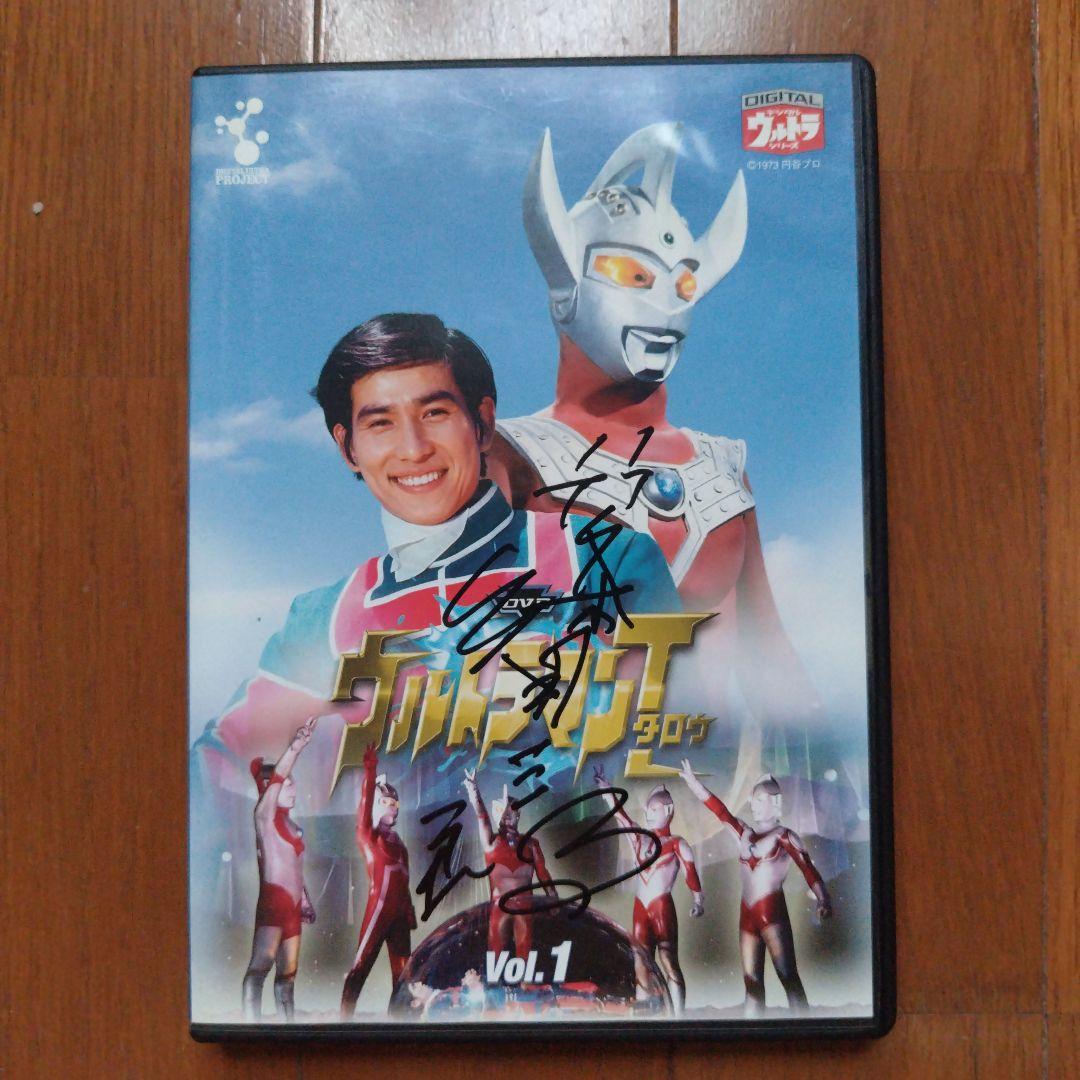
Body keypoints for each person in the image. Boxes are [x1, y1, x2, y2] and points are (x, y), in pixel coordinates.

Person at [198, 313, 683, 801]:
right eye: (381, 422)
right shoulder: (324, 617)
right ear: (348, 448)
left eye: (434, 413)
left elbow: (687, 738)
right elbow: (217, 766)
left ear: (483, 423)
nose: (413, 449)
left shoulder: (602, 560)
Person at [489, 123, 826, 810]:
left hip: (720, 794)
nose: (665, 299)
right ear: (567, 278)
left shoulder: (723, 466)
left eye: (683, 279)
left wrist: (831, 775)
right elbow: (472, 648)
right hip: (572, 800)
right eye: (632, 275)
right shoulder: (511, 452)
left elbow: (769, 647)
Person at [678, 758, 831, 1014]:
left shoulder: (784, 836)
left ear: (776, 803)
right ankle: (751, 1031)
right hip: (747, 914)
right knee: (751, 984)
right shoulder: (743, 833)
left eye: (760, 800)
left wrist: (823, 898)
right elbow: (720, 811)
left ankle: (804, 1029)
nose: (754, 804)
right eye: (753, 799)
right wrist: (694, 784)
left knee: (788, 977)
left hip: (772, 912)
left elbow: (807, 868)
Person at [592, 764, 703, 1014]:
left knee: (668, 960)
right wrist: (606, 789)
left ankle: (678, 1017)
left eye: (654, 809)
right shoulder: (639, 838)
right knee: (640, 961)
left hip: (661, 906)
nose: (649, 813)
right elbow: (621, 816)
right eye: (648, 809)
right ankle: (645, 1013)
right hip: (640, 908)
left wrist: (698, 899)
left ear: (668, 811)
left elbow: (691, 873)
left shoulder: (677, 843)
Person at [241, 716, 318, 1021]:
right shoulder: (264, 816)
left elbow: (296, 866)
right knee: (260, 967)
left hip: (293, 908)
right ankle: (250, 1026)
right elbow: (277, 778)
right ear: (269, 788)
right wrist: (296, 747)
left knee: (288, 975)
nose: (292, 787)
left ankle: (288, 1029)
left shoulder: (292, 824)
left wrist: (306, 901)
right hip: (273, 905)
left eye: (293, 782)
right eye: (286, 783)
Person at [341, 745, 414, 1017]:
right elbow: (364, 804)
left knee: (403, 973)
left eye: (395, 803)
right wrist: (370, 771)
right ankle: (344, 1020)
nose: (392, 807)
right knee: (362, 964)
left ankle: (399, 1021)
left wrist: (409, 910)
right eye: (387, 802)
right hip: (379, 908)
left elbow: (404, 880)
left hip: (400, 913)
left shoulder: (399, 843)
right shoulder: (368, 835)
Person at [462, 768, 558, 960]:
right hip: (499, 905)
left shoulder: (530, 844)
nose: (507, 816)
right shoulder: (492, 842)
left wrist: (553, 898)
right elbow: (482, 818)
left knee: (524, 952)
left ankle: (523, 976)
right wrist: (474, 792)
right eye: (503, 812)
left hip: (525, 905)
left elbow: (543, 873)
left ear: (518, 815)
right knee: (495, 953)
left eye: (511, 812)